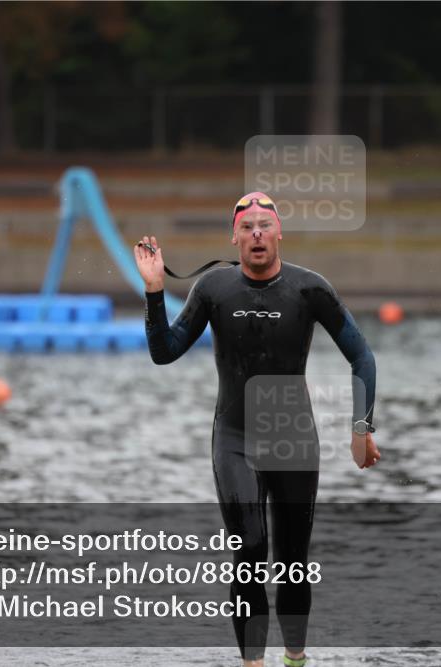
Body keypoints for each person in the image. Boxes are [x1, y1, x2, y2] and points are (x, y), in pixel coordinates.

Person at [134, 192, 380, 667]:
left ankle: (295, 658)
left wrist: (360, 426)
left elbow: (362, 356)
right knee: (248, 548)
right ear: (235, 237)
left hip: (292, 437)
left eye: (266, 225)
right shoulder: (213, 288)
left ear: (280, 232)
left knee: (292, 561)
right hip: (235, 437)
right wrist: (152, 291)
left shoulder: (310, 289)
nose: (257, 234)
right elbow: (164, 351)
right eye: (247, 228)